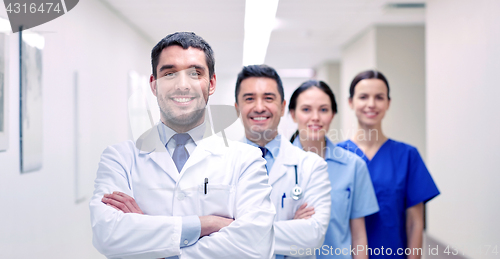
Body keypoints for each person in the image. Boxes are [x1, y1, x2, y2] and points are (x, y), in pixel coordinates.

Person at [89, 32, 276, 259]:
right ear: (153, 84)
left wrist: (152, 240)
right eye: (169, 74)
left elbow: (255, 245)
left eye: (195, 73)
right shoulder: (120, 158)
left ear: (212, 83)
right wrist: (206, 224)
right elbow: (108, 235)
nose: (182, 85)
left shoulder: (247, 159)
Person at [337, 70, 440, 259]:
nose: (371, 104)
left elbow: (415, 223)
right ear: (350, 102)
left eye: (379, 97)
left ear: (388, 103)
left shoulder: (407, 156)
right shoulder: (335, 156)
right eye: (363, 97)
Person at [234, 65, 332, 258]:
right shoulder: (218, 164)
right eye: (249, 99)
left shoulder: (311, 166)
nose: (260, 107)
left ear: (282, 107)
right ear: (237, 108)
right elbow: (209, 236)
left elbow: (313, 235)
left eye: (268, 98)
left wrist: (235, 229)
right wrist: (291, 227)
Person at [288, 80, 379, 259]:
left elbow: (359, 235)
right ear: (293, 114)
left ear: (333, 114)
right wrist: (291, 226)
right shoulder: (274, 164)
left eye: (323, 110)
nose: (315, 117)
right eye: (306, 109)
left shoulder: (353, 166)